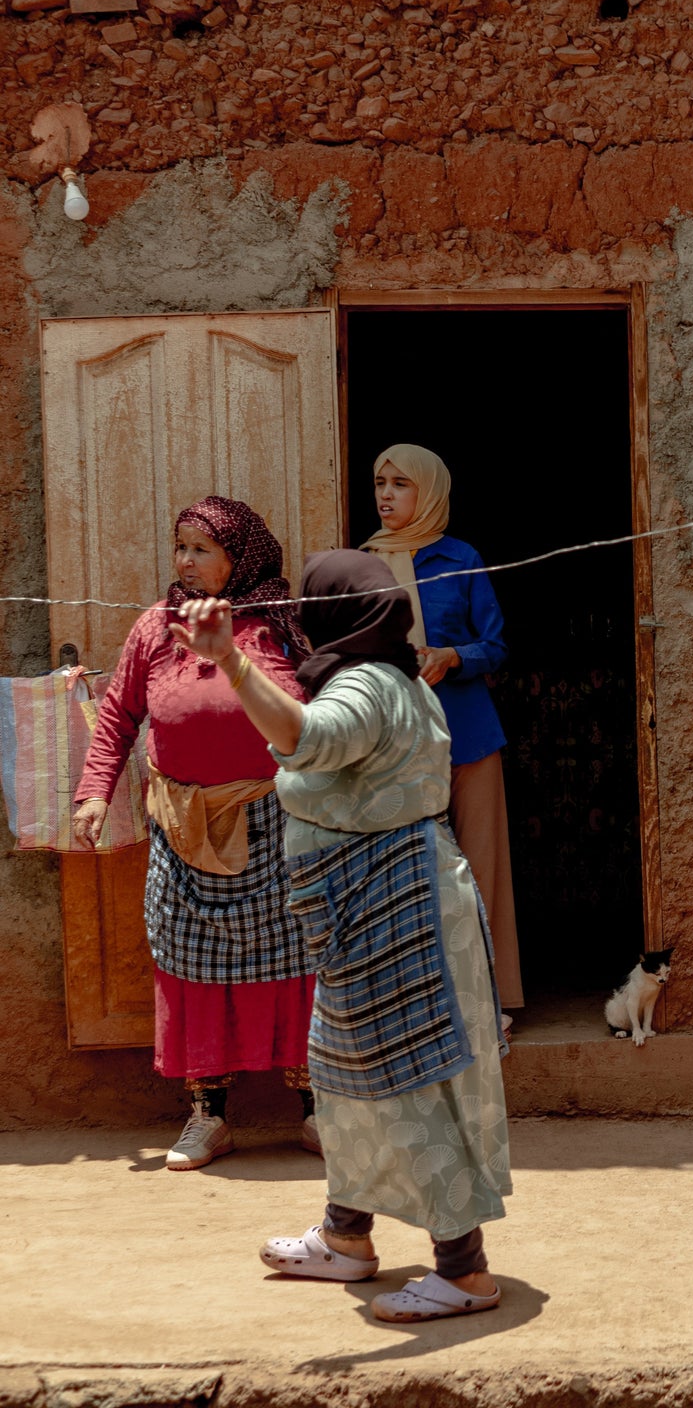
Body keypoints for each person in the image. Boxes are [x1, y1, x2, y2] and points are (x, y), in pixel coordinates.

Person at [172, 551, 511, 1321]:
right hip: (379, 907)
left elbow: (306, 737)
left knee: (406, 1077)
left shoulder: (364, 685)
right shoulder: (399, 677)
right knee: (346, 1076)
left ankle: (465, 1270)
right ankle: (346, 1237)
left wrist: (228, 659)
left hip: (396, 914)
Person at [71, 498, 316, 1170]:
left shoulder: (280, 625)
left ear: (243, 557)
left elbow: (324, 715)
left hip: (278, 822)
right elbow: (119, 715)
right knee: (190, 963)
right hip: (181, 829)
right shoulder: (157, 625)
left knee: (300, 959)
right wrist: (94, 793)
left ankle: (318, 1110)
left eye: (201, 549)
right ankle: (208, 1116)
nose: (184, 561)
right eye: (179, 547)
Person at [362, 443, 523, 1014]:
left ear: (429, 492)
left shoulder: (462, 559)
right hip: (392, 742)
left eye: (401, 484)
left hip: (470, 735)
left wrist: (453, 655)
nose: (386, 493)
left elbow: (496, 645)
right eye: (381, 481)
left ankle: (487, 1003)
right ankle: (415, 1006)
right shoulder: (364, 566)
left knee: (479, 869)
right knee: (402, 869)